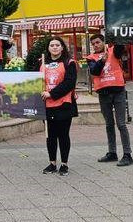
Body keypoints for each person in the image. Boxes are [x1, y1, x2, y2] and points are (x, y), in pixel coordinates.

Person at [86, 34, 132, 167]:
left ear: (103, 42)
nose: (96, 45)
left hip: (118, 92)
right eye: (93, 43)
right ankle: (112, 153)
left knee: (121, 124)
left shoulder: (113, 51)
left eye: (98, 42)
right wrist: (101, 61)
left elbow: (120, 47)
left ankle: (127, 154)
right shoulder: (91, 58)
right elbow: (95, 72)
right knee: (109, 124)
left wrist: (116, 34)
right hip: (104, 94)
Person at [40, 37, 78, 176]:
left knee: (63, 135)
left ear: (62, 47)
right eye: (52, 45)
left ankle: (64, 164)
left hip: (64, 104)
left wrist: (51, 94)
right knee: (50, 136)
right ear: (48, 48)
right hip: (47, 105)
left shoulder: (69, 63)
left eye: (58, 45)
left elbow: (69, 83)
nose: (55, 47)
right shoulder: (43, 63)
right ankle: (52, 163)